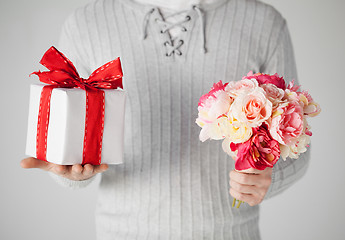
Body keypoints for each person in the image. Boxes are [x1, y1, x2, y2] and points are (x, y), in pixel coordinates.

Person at [21, 0, 310, 239]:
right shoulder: (86, 22)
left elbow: (298, 146)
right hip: (122, 232)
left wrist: (268, 179)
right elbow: (65, 141)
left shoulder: (265, 23)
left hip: (230, 233)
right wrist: (68, 172)